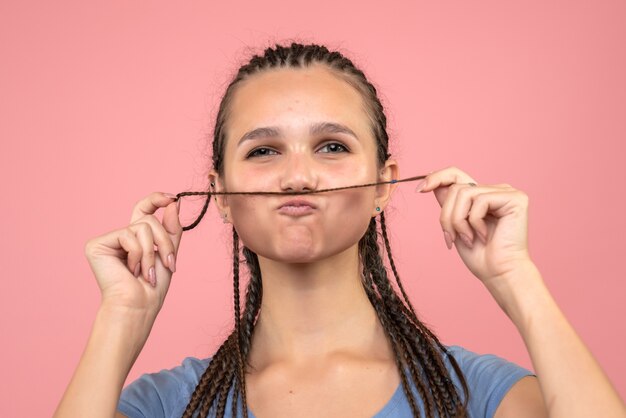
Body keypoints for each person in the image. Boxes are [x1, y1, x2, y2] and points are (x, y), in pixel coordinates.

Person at [54, 43, 625, 418]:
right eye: (263, 150)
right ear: (220, 194)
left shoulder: (474, 393)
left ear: (384, 184)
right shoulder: (164, 405)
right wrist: (121, 319)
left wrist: (517, 279)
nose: (298, 175)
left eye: (332, 146)